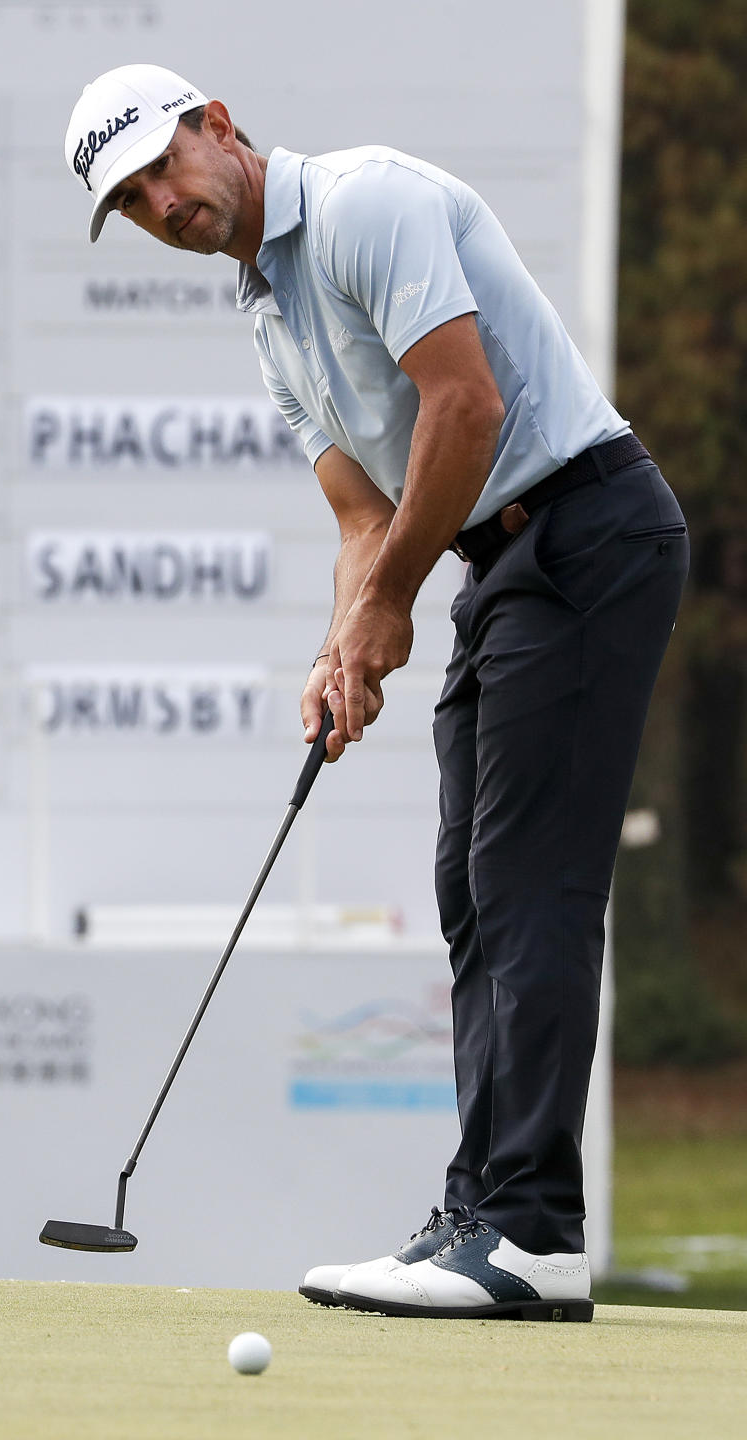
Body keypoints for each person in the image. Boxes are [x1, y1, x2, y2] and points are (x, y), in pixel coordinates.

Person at [63, 64, 689, 1321]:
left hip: (586, 527)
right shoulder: (265, 314)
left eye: (162, 169)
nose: (161, 205)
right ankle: (478, 1213)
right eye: (130, 202)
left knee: (530, 884)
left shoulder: (361, 205)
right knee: (470, 885)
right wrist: (340, 646)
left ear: (219, 127)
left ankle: (530, 1233)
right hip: (508, 561)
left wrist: (393, 601)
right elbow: (361, 511)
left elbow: (466, 405)